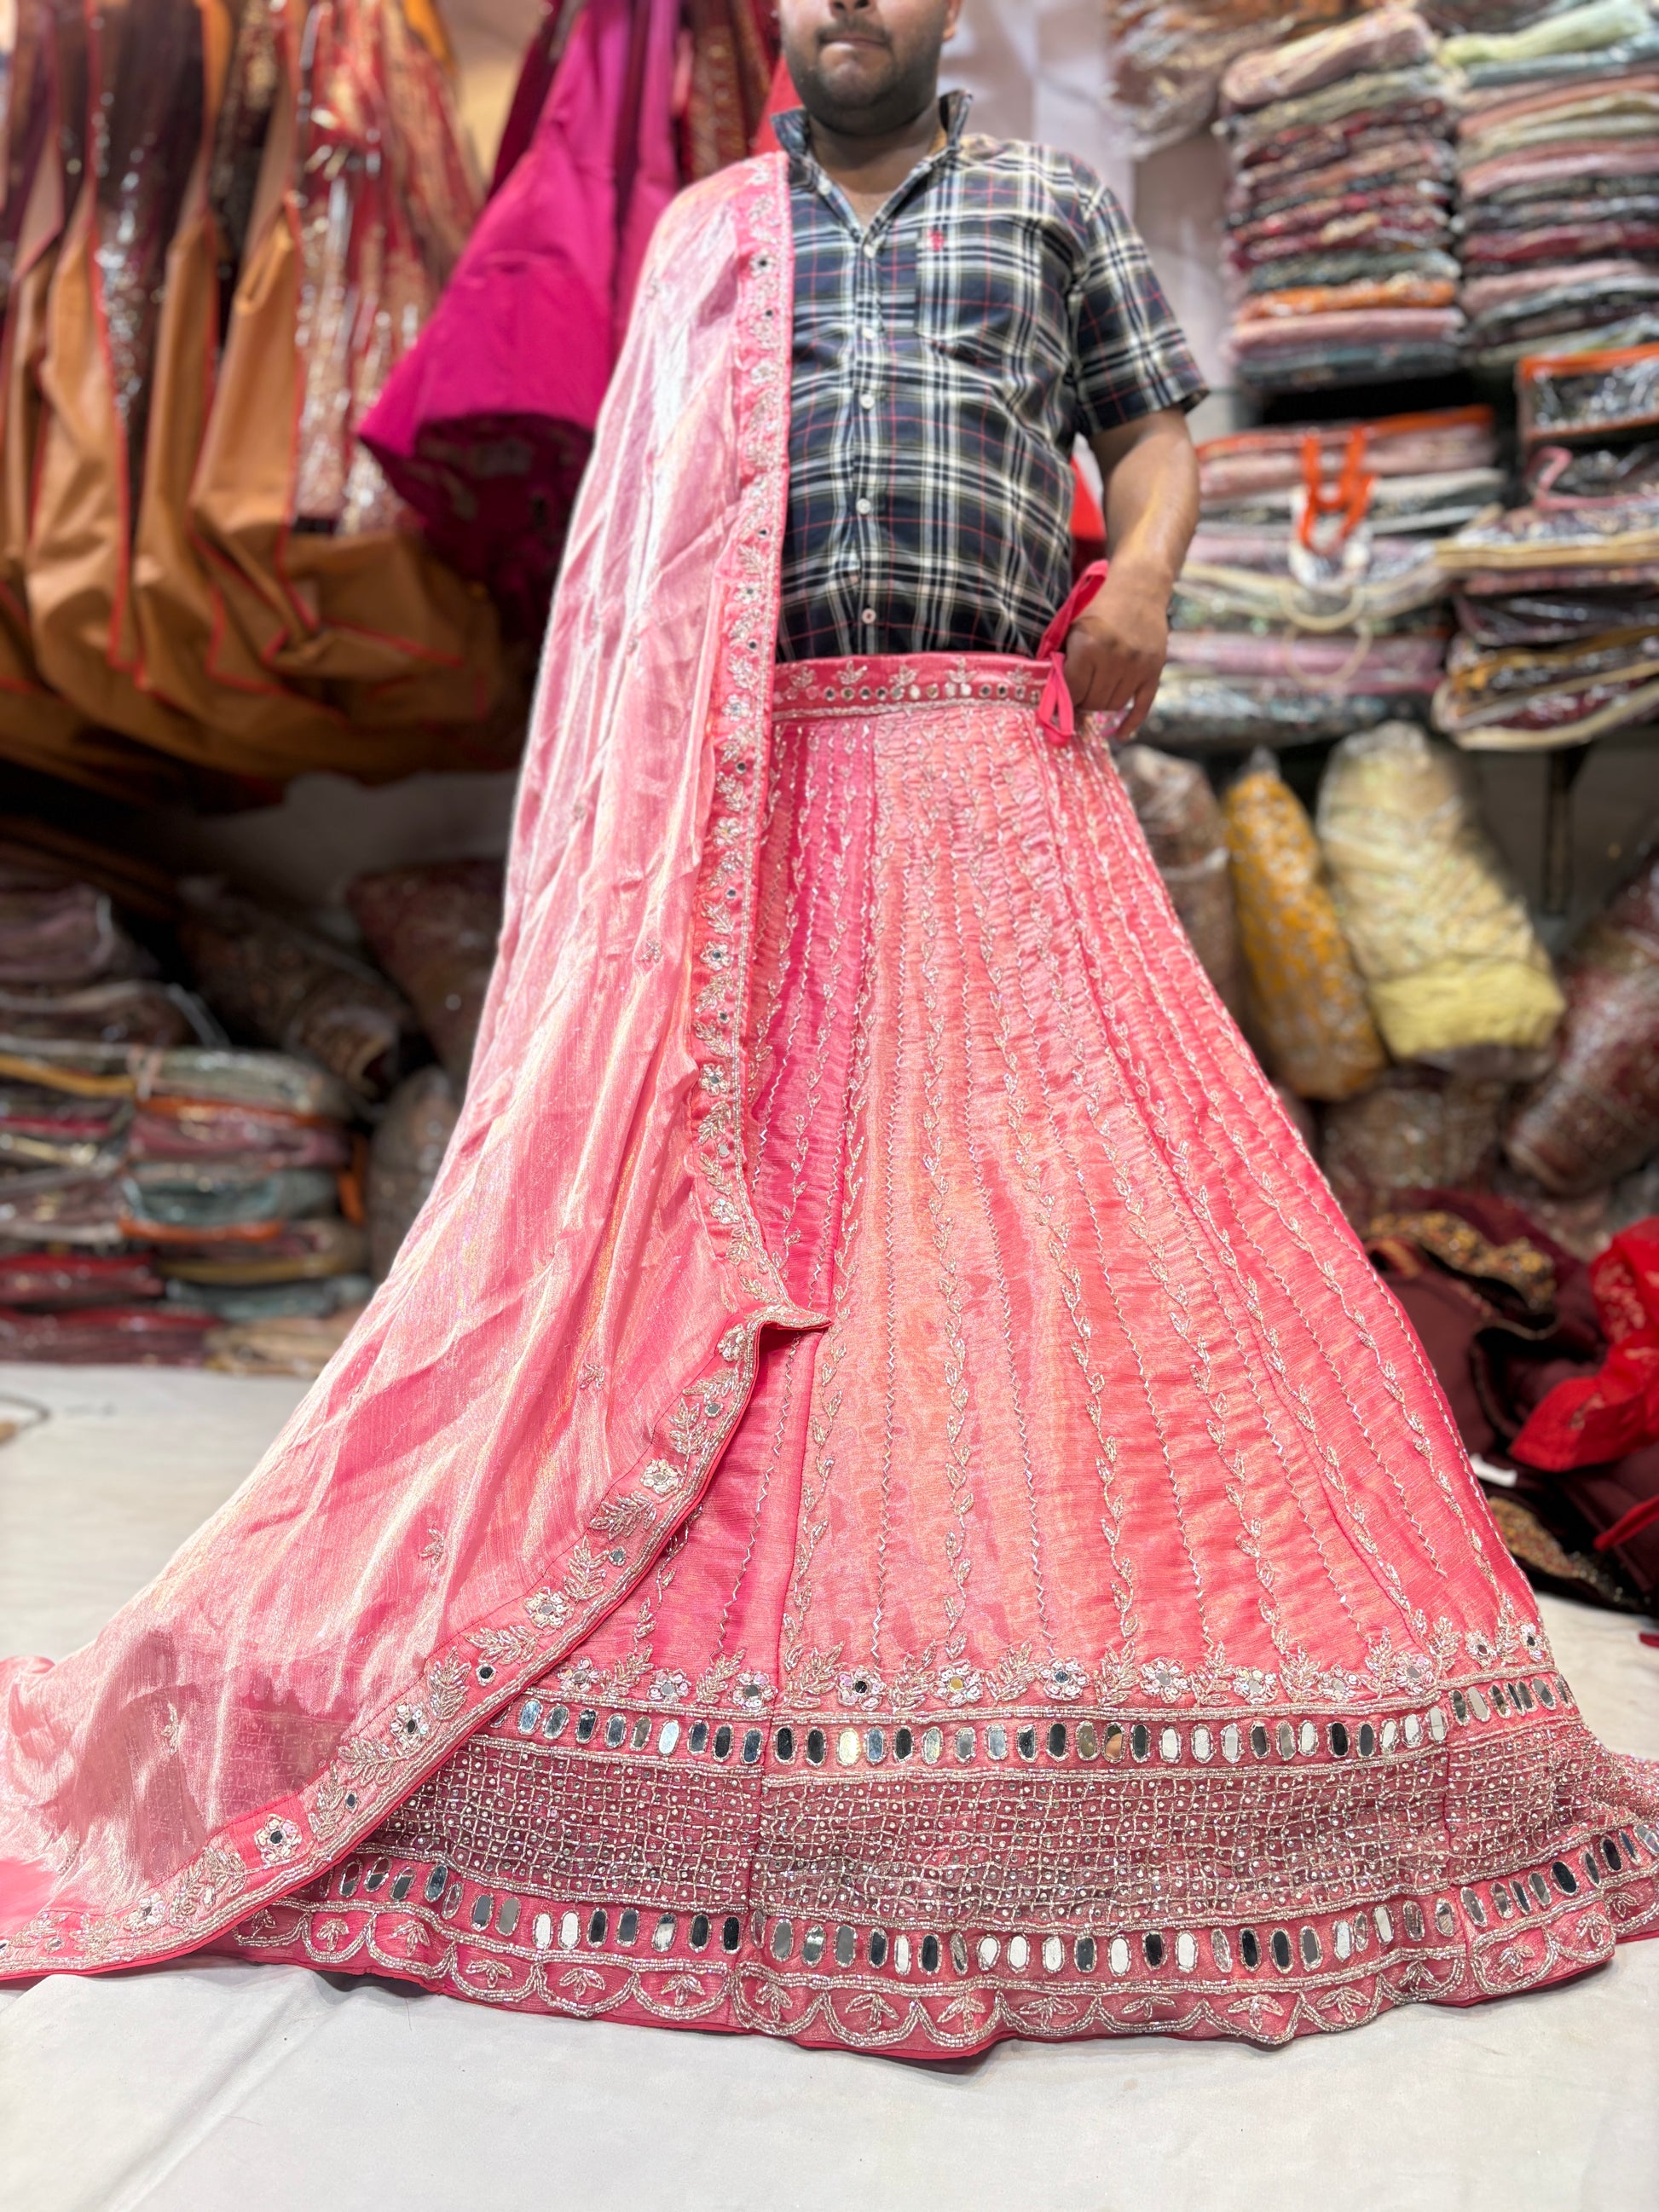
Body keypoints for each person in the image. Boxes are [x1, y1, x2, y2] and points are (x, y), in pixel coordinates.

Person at [1, 0, 1655, 2059]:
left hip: (995, 770)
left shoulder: (1048, 206)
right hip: (749, 809)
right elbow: (631, 567)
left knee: (1053, 1227)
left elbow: (1151, 428)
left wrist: (1142, 576)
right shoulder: (703, 235)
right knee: (746, 1219)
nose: (848, 6)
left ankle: (1023, 1664)